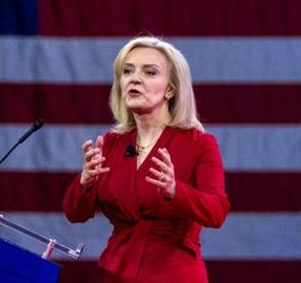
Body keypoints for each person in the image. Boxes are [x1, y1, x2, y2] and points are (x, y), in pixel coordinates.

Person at [63, 36, 230, 282]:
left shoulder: (199, 144)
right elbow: (74, 214)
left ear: (171, 89)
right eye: (127, 71)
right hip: (114, 273)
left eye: (149, 72)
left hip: (174, 274)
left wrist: (177, 192)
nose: (135, 78)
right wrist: (85, 182)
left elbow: (217, 212)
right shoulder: (111, 143)